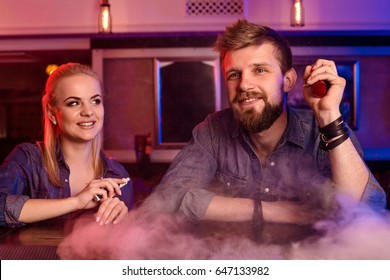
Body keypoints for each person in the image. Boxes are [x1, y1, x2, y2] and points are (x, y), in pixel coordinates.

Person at [141, 19, 386, 237]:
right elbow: (165, 202)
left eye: (259, 70)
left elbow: (366, 214)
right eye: (234, 74)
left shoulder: (325, 129)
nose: (245, 84)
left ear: (287, 80)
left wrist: (328, 114)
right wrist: (272, 210)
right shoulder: (213, 131)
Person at [0, 63, 133, 228]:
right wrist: (75, 202)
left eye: (95, 101)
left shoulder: (117, 174)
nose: (88, 112)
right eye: (74, 103)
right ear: (51, 112)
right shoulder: (28, 159)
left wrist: (124, 221)